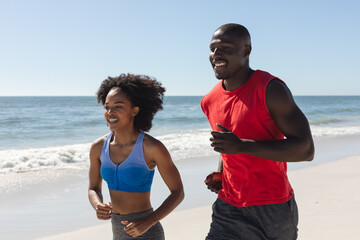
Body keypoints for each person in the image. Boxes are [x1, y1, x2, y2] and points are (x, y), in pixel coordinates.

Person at [201, 23, 314, 240]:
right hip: (228, 207)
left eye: (225, 47)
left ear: (246, 50)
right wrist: (222, 174)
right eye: (213, 48)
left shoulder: (271, 89)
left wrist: (242, 146)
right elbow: (228, 142)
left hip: (273, 208)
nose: (216, 54)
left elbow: (306, 149)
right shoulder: (209, 100)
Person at [88, 73, 184, 239]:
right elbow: (93, 188)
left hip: (147, 230)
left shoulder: (151, 147)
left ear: (135, 111)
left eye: (118, 106)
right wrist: (97, 205)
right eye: (107, 106)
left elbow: (178, 192)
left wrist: (149, 221)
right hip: (117, 229)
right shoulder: (98, 147)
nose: (110, 112)